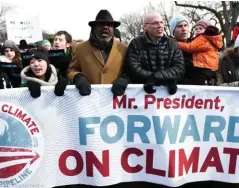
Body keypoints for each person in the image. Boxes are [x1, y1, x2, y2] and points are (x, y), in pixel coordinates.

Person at [111, 12, 184, 96]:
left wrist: (155, 77)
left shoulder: (173, 43)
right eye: (155, 23)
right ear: (146, 27)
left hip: (167, 99)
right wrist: (152, 78)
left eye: (161, 22)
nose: (160, 25)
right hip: (140, 97)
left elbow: (179, 69)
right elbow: (133, 69)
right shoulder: (136, 43)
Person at [67, 9, 127, 96]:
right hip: (90, 101)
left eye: (109, 25)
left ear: (113, 28)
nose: (105, 27)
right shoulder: (80, 48)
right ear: (94, 28)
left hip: (116, 101)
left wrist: (125, 79)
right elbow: (72, 69)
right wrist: (78, 77)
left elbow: (129, 70)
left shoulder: (124, 48)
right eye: (101, 24)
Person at [177, 20, 223, 85]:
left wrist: (177, 43)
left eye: (200, 28)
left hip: (203, 67)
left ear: (207, 30)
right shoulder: (210, 40)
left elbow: (189, 47)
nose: (198, 30)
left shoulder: (202, 39)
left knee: (198, 83)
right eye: (196, 29)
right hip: (210, 67)